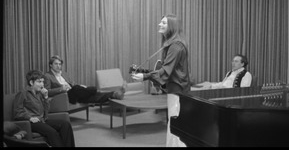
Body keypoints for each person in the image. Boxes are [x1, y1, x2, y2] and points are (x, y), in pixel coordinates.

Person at [131, 14, 191, 147]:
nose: (159, 24)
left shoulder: (176, 46)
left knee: (176, 124)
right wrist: (145, 73)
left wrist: (145, 77)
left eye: (164, 23)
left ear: (172, 26)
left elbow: (166, 71)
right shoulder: (173, 44)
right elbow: (167, 70)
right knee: (173, 122)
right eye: (160, 22)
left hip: (178, 91)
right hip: (175, 89)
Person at [13, 70, 75, 147]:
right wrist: (29, 118)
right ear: (31, 83)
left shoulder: (39, 93)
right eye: (39, 82)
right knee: (52, 132)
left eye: (42, 82)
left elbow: (46, 112)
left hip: (42, 120)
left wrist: (45, 98)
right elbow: (17, 112)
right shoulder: (22, 93)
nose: (42, 85)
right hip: (31, 122)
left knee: (65, 124)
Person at [44, 55, 125, 105]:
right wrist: (61, 89)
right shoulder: (47, 76)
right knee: (81, 89)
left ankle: (114, 94)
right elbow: (47, 91)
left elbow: (72, 83)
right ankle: (90, 90)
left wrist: (80, 86)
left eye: (60, 64)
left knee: (92, 97)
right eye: (56, 64)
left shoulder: (63, 73)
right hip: (65, 95)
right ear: (51, 65)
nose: (58, 66)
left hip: (75, 93)